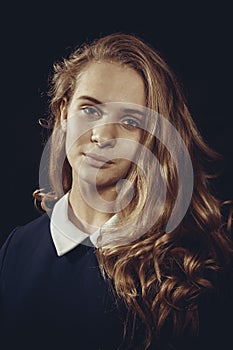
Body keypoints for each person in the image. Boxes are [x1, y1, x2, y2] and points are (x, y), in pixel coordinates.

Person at [0, 33, 232, 350]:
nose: (103, 136)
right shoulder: (16, 248)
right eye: (90, 110)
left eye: (129, 120)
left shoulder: (193, 266)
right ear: (63, 113)